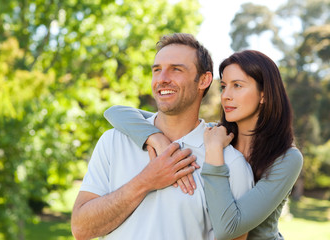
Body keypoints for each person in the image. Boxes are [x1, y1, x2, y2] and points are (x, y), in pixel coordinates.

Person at [104, 50, 303, 240]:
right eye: (224, 86)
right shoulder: (214, 133)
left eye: (238, 86)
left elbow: (228, 228)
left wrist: (215, 151)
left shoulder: (286, 158)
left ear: (264, 95)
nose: (226, 95)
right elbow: (116, 113)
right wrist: (156, 138)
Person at [71, 33, 253, 240]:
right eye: (157, 70)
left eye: (176, 69)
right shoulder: (113, 141)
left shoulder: (231, 164)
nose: (162, 79)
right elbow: (81, 229)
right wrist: (146, 181)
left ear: (204, 80)